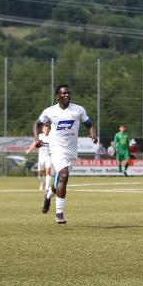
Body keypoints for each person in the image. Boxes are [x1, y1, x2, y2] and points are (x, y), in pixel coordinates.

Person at [33, 84, 97, 224]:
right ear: (58, 96)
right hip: (56, 149)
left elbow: (90, 124)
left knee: (59, 182)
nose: (67, 95)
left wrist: (93, 133)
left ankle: (48, 195)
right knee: (63, 175)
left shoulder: (78, 110)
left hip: (71, 151)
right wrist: (37, 139)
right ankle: (59, 213)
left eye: (68, 93)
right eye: (64, 93)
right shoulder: (50, 111)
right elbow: (36, 124)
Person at [25, 123, 52, 191]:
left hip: (49, 156)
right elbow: (34, 143)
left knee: (48, 171)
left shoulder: (52, 137)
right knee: (40, 174)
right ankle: (42, 183)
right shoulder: (40, 136)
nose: (46, 130)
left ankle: (47, 187)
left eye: (48, 129)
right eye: (45, 129)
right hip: (41, 157)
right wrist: (29, 150)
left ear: (50, 130)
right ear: (42, 130)